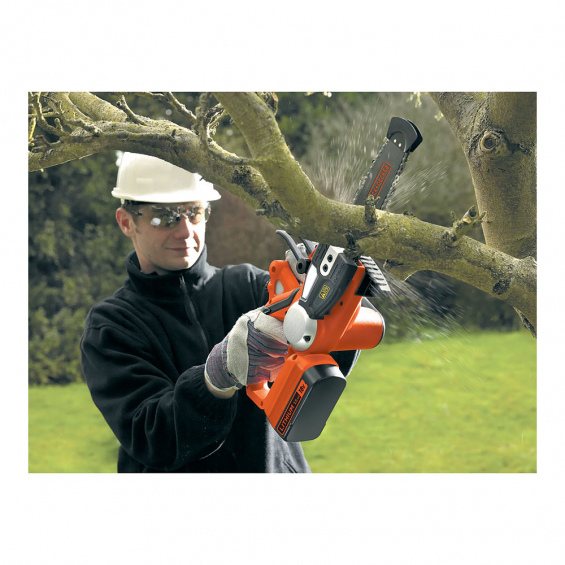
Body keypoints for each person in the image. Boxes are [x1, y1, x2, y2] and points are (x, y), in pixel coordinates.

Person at [80, 152, 358, 473]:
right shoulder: (111, 326)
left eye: (194, 212)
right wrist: (215, 377)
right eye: (164, 217)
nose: (185, 231)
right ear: (127, 221)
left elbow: (329, 358)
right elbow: (154, 436)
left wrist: (331, 297)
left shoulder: (251, 285)